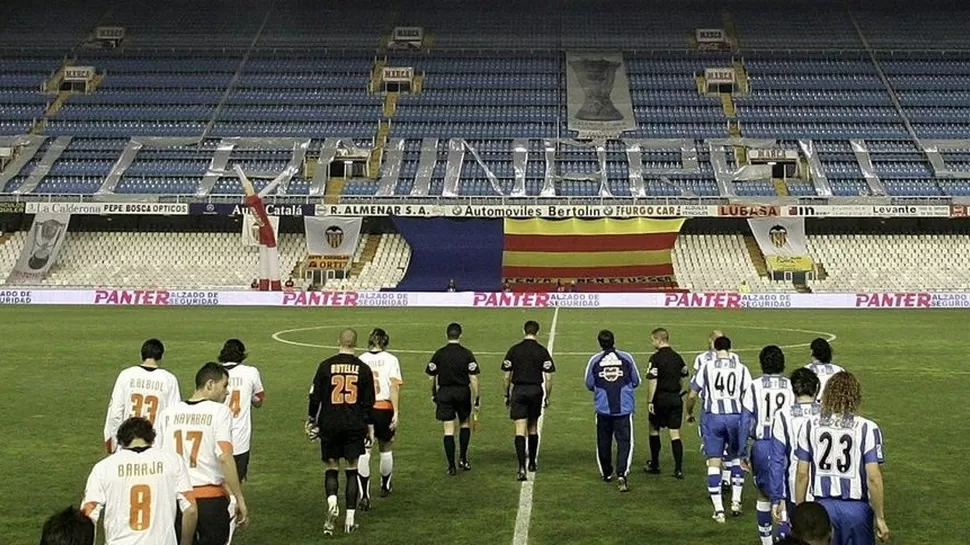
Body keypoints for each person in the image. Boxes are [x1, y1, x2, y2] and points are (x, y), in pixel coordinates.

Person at [156, 362, 249, 545]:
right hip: (209, 500)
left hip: (175, 500)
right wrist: (239, 497)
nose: (228, 392)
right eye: (225, 385)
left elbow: (159, 457)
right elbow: (224, 456)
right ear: (209, 385)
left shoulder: (167, 413)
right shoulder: (220, 412)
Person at [795, 371, 889, 545]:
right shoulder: (867, 428)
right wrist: (880, 517)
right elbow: (873, 478)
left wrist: (799, 514)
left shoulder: (809, 425)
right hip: (857, 511)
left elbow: (802, 474)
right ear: (856, 395)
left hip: (822, 510)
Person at [81, 417, 198, 545]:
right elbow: (190, 509)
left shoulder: (103, 468)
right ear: (152, 438)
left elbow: (88, 514)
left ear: (121, 441)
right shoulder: (173, 461)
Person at [306, 328, 375, 535]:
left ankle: (333, 502)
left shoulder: (325, 366)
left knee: (331, 467)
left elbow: (315, 397)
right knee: (352, 469)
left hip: (330, 423)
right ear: (355, 343)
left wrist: (312, 420)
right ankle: (350, 519)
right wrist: (368, 428)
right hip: (354, 424)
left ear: (339, 341)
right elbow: (368, 403)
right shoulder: (363, 369)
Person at [686, 336, 753, 523]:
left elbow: (692, 394)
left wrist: (689, 412)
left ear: (715, 348)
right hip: (736, 418)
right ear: (730, 348)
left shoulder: (707, 367)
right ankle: (736, 501)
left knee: (714, 461)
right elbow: (749, 395)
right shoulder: (741, 368)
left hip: (713, 418)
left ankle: (719, 510)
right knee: (736, 458)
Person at [744, 345, 795, 545]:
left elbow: (745, 418)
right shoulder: (791, 386)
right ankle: (783, 535)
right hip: (787, 447)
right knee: (784, 494)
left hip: (762, 445)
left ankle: (766, 542)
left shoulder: (755, 385)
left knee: (764, 495)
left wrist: (742, 451)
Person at [584, 329, 640, 492]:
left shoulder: (595, 360)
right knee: (624, 442)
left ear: (599, 342)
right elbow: (636, 381)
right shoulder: (626, 358)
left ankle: (606, 472)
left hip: (603, 408)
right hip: (623, 408)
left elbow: (589, 383)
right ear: (614, 341)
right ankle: (622, 473)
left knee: (603, 440)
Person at [769, 368, 821, 540]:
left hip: (794, 487)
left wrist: (777, 498)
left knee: (799, 536)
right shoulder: (827, 413)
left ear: (793, 390)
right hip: (826, 487)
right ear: (816, 389)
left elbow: (776, 460)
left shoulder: (783, 415)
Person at [103, 339, 181, 453]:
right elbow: (173, 417)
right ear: (160, 357)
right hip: (155, 445)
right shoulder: (169, 379)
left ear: (141, 355)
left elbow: (115, 413)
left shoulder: (126, 375)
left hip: (127, 442)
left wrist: (112, 443)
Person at [503, 320, 556, 481]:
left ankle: (521, 467)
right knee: (532, 427)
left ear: (523, 331)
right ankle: (532, 462)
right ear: (537, 332)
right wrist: (547, 396)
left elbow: (506, 376)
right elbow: (548, 378)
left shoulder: (514, 350)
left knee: (520, 428)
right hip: (535, 391)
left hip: (519, 390)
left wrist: (506, 394)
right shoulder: (542, 351)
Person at [357, 328, 403, 509]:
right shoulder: (392, 360)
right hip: (384, 407)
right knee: (385, 447)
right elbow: (394, 387)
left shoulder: (361, 360)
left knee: (365, 450)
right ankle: (385, 485)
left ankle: (365, 494)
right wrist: (396, 412)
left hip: (364, 409)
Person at [426, 323, 479, 475]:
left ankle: (451, 466)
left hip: (445, 393)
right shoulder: (466, 353)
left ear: (446, 335)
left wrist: (434, 394)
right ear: (460, 335)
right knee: (464, 424)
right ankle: (463, 458)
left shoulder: (440, 353)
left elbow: (432, 377)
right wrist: (477, 396)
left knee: (448, 429)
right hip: (462, 392)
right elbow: (473, 378)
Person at [692, 329, 739, 488]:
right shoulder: (734, 359)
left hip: (710, 408)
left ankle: (719, 478)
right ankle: (727, 479)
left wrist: (689, 411)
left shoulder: (702, 360)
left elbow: (695, 387)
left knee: (713, 445)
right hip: (732, 408)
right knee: (729, 444)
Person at [218, 339, 265, 483]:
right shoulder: (250, 372)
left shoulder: (214, 373)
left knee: (218, 481)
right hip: (240, 439)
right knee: (237, 482)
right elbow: (259, 400)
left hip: (217, 437)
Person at [644, 328, 688, 479]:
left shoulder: (655, 358)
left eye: (653, 340)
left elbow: (653, 380)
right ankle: (678, 469)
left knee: (654, 430)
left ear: (659, 340)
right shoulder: (678, 357)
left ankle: (655, 464)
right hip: (675, 399)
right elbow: (682, 378)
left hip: (660, 399)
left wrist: (650, 400)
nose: (652, 343)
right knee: (674, 433)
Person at [805, 338, 845, 403]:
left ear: (812, 352)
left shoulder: (805, 371)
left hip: (813, 409)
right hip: (833, 407)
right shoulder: (839, 370)